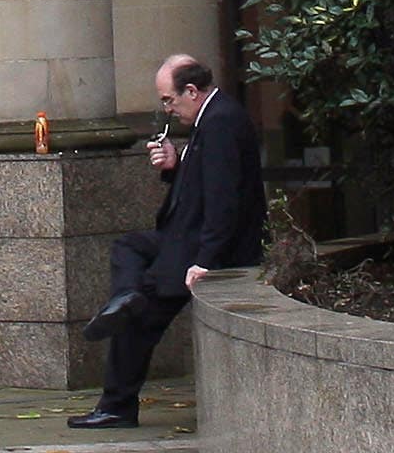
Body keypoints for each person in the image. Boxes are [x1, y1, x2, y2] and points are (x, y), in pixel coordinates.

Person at [66, 53, 264, 431]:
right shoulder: (215, 117)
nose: (168, 110)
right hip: (182, 237)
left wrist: (206, 260)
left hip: (199, 248)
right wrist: (175, 166)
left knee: (136, 326)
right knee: (129, 247)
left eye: (168, 100)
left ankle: (117, 405)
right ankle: (125, 298)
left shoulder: (221, 122)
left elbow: (225, 199)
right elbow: (204, 186)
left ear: (191, 91)